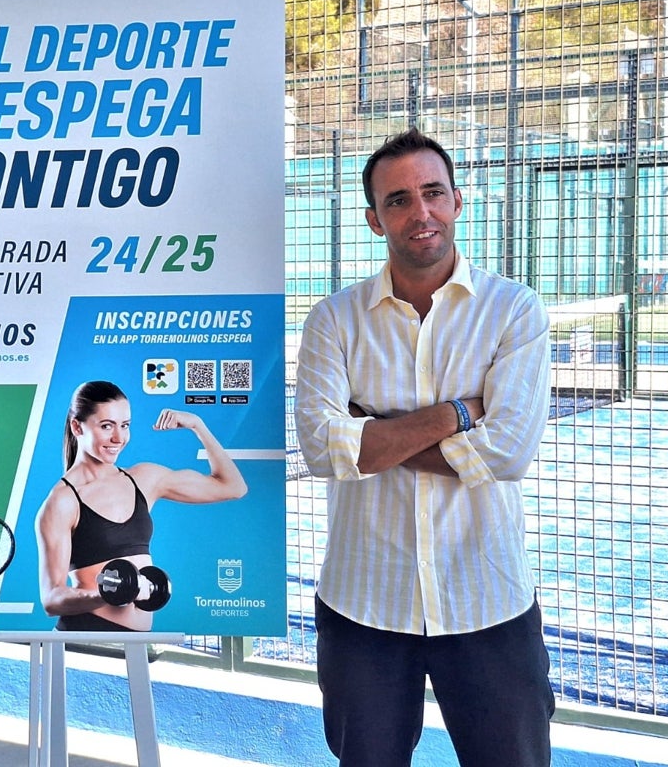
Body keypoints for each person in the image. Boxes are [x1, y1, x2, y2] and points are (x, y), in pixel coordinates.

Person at [294, 128, 554, 767]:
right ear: (373, 219)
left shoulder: (513, 312)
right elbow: (325, 452)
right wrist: (457, 414)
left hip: (487, 599)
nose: (421, 213)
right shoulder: (334, 320)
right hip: (364, 605)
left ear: (458, 202)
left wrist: (374, 431)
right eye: (399, 200)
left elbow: (508, 453)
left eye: (432, 193)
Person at [35, 380, 247, 631]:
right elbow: (52, 599)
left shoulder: (144, 479)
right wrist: (111, 593)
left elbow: (233, 487)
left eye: (125, 426)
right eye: (106, 426)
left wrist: (196, 425)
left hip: (138, 642)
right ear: (77, 427)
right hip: (83, 638)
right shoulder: (62, 501)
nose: (118, 437)